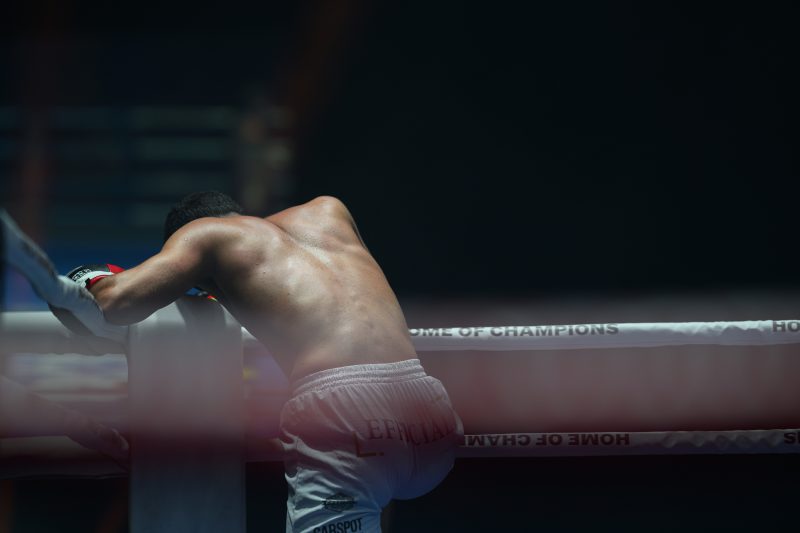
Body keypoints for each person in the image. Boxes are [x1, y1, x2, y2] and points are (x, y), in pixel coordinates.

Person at [72, 191, 462, 532]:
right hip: (430, 416)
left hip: (346, 418)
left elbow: (115, 302)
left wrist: (87, 277)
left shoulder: (206, 235)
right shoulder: (330, 210)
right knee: (375, 492)